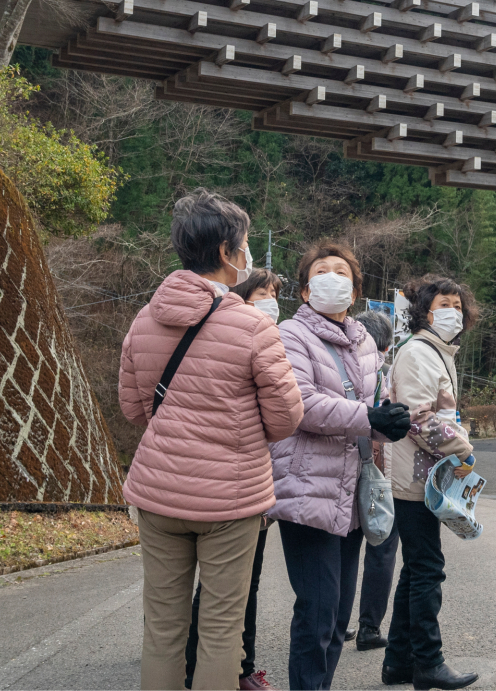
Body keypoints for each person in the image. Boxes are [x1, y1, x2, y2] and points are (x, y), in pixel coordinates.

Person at [119, 189, 304, 691]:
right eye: (243, 245)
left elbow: (135, 410)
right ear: (226, 253)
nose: (247, 256)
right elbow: (286, 417)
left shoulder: (143, 320)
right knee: (221, 631)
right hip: (229, 499)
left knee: (162, 628)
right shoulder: (252, 326)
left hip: (158, 494)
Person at [269, 245, 412, 691]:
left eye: (342, 272)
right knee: (317, 611)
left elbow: (375, 405)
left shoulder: (366, 341)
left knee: (335, 619)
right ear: (306, 288)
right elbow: (302, 405)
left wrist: (390, 420)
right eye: (321, 272)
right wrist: (370, 418)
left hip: (352, 494)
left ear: (354, 290)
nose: (333, 278)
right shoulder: (289, 335)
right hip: (308, 488)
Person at [184, 269, 285, 691]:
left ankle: (203, 665)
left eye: (274, 295)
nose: (270, 302)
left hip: (233, 481)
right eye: (263, 294)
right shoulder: (247, 338)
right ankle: (233, 670)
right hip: (239, 485)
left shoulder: (264, 337)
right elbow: (284, 415)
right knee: (234, 586)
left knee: (228, 585)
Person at [383, 274, 480, 691]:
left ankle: (399, 661)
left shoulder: (436, 351)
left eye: (458, 305)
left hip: (420, 474)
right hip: (414, 476)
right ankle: (428, 661)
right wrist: (463, 450)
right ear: (424, 310)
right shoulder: (421, 352)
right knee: (427, 569)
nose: (453, 312)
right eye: (444, 304)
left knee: (416, 568)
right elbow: (419, 418)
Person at [350, 309, 400, 652]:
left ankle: (337, 623)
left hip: (339, 475)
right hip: (376, 478)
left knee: (344, 550)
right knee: (382, 545)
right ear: (383, 347)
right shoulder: (384, 378)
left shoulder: (341, 368)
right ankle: (369, 627)